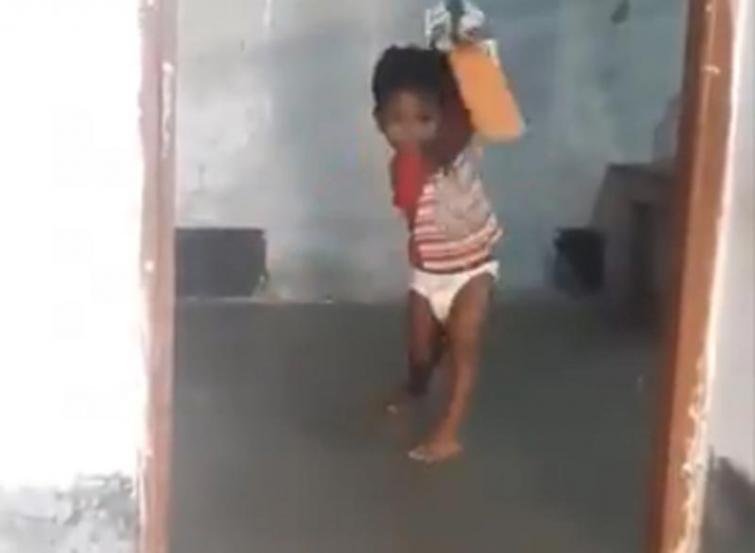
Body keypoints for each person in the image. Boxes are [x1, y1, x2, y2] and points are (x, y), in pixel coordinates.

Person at [372, 45, 502, 464]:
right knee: (420, 353)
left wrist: (464, 54)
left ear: (444, 117)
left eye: (424, 119)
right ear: (379, 122)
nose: (411, 131)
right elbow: (412, 206)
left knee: (463, 345)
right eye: (397, 121)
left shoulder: (453, 147)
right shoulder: (401, 167)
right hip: (429, 273)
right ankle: (415, 387)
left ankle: (449, 431)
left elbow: (480, 105)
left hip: (473, 268)